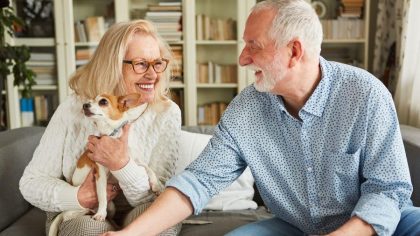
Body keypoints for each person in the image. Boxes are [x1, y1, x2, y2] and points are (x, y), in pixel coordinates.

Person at [102, 0, 420, 236]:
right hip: (296, 226)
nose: (242, 59)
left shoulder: (365, 94)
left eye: (253, 46)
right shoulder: (248, 109)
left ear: (294, 51)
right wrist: (127, 235)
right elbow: (199, 181)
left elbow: (388, 189)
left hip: (376, 224)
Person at [19, 19, 182, 236]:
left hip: (137, 210)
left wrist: (122, 165)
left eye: (158, 63)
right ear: (112, 64)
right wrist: (77, 197)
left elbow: (159, 197)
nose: (153, 74)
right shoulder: (75, 107)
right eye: (141, 64)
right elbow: (31, 183)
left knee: (163, 223)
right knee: (87, 230)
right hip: (81, 212)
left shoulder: (167, 113)